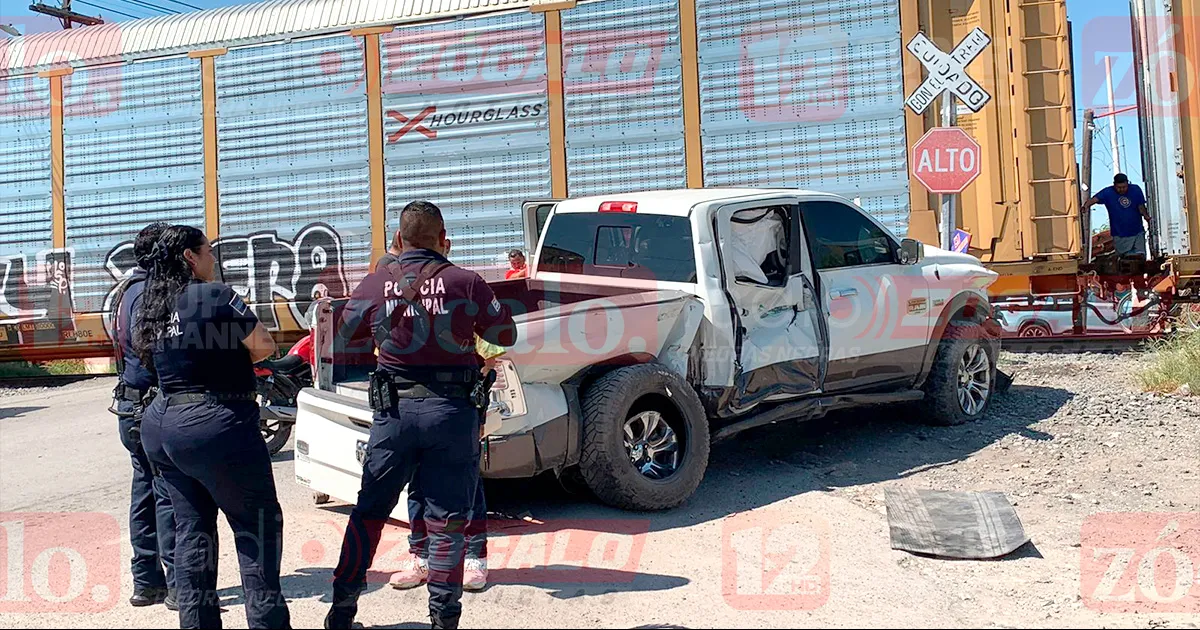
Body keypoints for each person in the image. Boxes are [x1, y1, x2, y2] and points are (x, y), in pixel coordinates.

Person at [326, 201, 516, 630]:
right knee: (448, 520)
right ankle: (444, 620)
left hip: (394, 414)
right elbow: (505, 335)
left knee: (369, 513)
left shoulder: (378, 282)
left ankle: (341, 613)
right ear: (443, 239)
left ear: (398, 240)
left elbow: (344, 332)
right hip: (451, 414)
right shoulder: (466, 282)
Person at [134, 225, 291, 629]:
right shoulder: (215, 295)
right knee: (256, 529)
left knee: (192, 532)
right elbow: (263, 346)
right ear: (190, 257)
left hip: (164, 426)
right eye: (208, 251)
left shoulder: (149, 305)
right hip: (217, 423)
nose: (213, 258)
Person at [108, 221, 176, 610]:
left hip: (129, 404)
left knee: (143, 493)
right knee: (168, 494)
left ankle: (146, 582)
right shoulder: (154, 292)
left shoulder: (125, 290)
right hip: (151, 404)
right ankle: (178, 585)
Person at [1085, 173, 1153, 259]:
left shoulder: (1135, 190)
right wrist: (1085, 206)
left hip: (1137, 232)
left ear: (1127, 183)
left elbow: (1141, 206)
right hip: (1119, 234)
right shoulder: (1108, 192)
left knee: (1139, 257)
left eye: (1124, 187)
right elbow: (1094, 199)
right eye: (1119, 188)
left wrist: (1146, 216)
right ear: (1114, 185)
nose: (1122, 190)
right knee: (1124, 259)